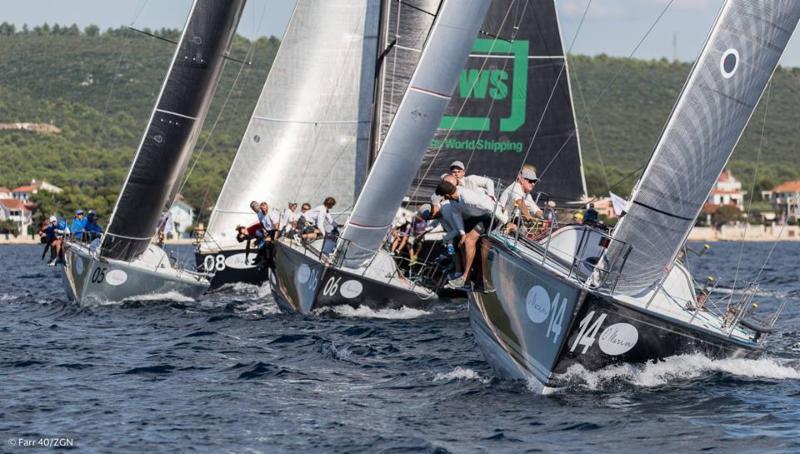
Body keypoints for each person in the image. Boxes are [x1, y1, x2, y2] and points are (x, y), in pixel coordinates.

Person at [436, 180, 508, 289]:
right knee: (459, 242)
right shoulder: (453, 201)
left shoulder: (467, 198)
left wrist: (505, 222)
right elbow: (456, 215)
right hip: (477, 217)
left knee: (468, 241)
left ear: (447, 195)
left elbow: (490, 207)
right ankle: (461, 272)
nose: (443, 199)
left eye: (443, 197)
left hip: (491, 214)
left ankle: (465, 277)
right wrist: (462, 233)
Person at [498, 165, 543, 230]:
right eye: (530, 181)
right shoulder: (515, 187)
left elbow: (535, 209)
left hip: (512, 223)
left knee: (532, 228)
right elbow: (520, 202)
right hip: (499, 224)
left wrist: (542, 219)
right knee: (518, 227)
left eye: (534, 181)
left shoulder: (527, 194)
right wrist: (529, 218)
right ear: (521, 178)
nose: (533, 184)